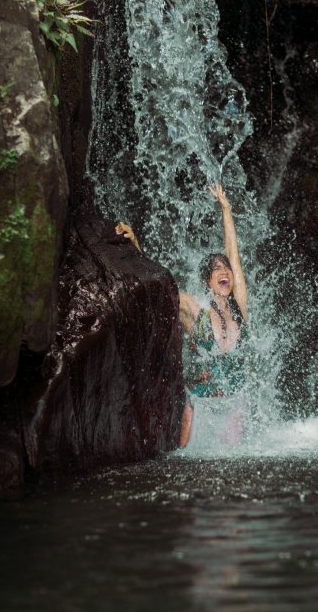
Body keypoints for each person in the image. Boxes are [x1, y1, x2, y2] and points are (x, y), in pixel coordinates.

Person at [115, 182, 248, 447]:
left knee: (236, 465)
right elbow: (158, 285)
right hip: (200, 406)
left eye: (226, 269)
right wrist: (135, 245)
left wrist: (226, 209)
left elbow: (234, 255)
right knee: (188, 465)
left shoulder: (239, 307)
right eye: (216, 270)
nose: (225, 272)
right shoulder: (193, 309)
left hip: (234, 405)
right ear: (207, 281)